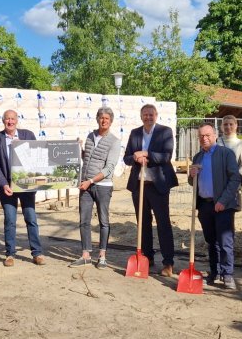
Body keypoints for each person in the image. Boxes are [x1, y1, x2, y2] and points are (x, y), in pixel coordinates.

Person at [122, 104, 179, 276]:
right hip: (139, 185)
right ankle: (147, 257)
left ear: (156, 115)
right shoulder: (135, 133)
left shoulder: (165, 131)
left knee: (163, 224)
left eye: (151, 114)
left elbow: (167, 156)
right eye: (145, 115)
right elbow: (126, 158)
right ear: (141, 116)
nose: (148, 117)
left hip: (158, 185)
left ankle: (168, 262)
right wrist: (134, 157)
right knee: (143, 224)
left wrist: (146, 153)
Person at [0, 110, 46, 266]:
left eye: (13, 118)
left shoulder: (28, 135)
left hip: (26, 186)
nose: (10, 121)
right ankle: (10, 254)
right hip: (7, 188)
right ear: (3, 121)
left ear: (17, 120)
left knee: (31, 218)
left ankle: (37, 253)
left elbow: (38, 157)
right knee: (10, 220)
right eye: (7, 119)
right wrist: (4, 184)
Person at [189, 124, 242, 289]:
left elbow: (235, 179)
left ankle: (227, 274)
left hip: (222, 205)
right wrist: (191, 176)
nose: (204, 138)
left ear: (215, 135)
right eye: (201, 136)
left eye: (207, 135)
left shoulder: (225, 154)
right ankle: (214, 271)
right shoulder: (198, 157)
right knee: (211, 241)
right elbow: (194, 183)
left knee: (225, 241)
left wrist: (223, 201)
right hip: (204, 205)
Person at [70, 107, 121, 269]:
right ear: (97, 119)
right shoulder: (90, 137)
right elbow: (88, 158)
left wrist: (91, 181)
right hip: (86, 184)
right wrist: (79, 149)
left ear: (111, 121)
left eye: (106, 118)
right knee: (84, 220)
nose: (103, 120)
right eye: (101, 117)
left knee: (103, 221)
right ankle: (86, 255)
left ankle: (102, 256)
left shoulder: (114, 141)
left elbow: (109, 169)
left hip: (102, 186)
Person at [217, 114, 242, 201]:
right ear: (221, 126)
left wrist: (237, 185)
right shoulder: (216, 142)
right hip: (217, 184)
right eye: (225, 124)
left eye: (231, 124)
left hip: (233, 186)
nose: (228, 127)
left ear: (236, 125)